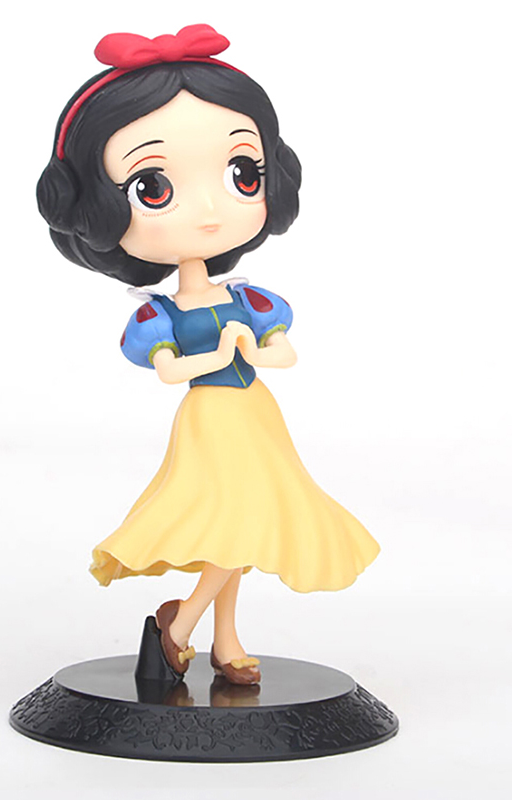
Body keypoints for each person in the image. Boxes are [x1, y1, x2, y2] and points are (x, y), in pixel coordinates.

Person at [37, 25, 380, 685]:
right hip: (210, 419)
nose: (209, 210)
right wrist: (223, 347)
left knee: (247, 524)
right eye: (154, 187)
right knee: (233, 522)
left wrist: (253, 345)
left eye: (241, 173)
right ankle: (183, 625)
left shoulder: (252, 300)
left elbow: (284, 355)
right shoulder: (160, 315)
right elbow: (169, 370)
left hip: (256, 414)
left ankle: (224, 639)